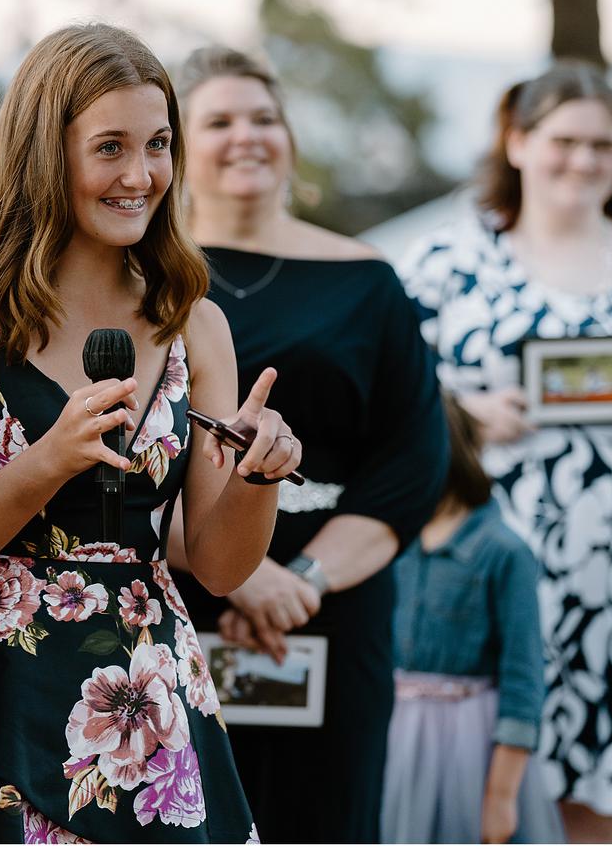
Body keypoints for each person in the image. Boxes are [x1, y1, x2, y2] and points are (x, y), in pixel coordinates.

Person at [0, 22, 303, 843]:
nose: (141, 175)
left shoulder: (195, 324)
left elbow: (219, 562)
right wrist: (43, 466)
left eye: (159, 144)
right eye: (110, 148)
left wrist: (257, 479)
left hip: (151, 697)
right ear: (44, 154)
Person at [168, 45, 448, 843]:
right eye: (218, 121)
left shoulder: (368, 279)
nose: (246, 136)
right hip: (177, 598)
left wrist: (301, 583)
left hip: (332, 608)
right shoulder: (144, 279)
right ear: (181, 144)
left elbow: (411, 460)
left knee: (327, 816)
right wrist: (238, 576)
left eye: (265, 118)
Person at [401, 61, 612, 843]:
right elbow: (384, 392)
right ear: (516, 142)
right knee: (493, 793)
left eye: (604, 145)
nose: (583, 161)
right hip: (491, 566)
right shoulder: (449, 261)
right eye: (565, 141)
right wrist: (462, 410)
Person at [381, 394, 564, 843]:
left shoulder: (504, 552)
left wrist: (501, 795)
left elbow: (524, 681)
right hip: (398, 739)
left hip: (469, 745)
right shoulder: (392, 542)